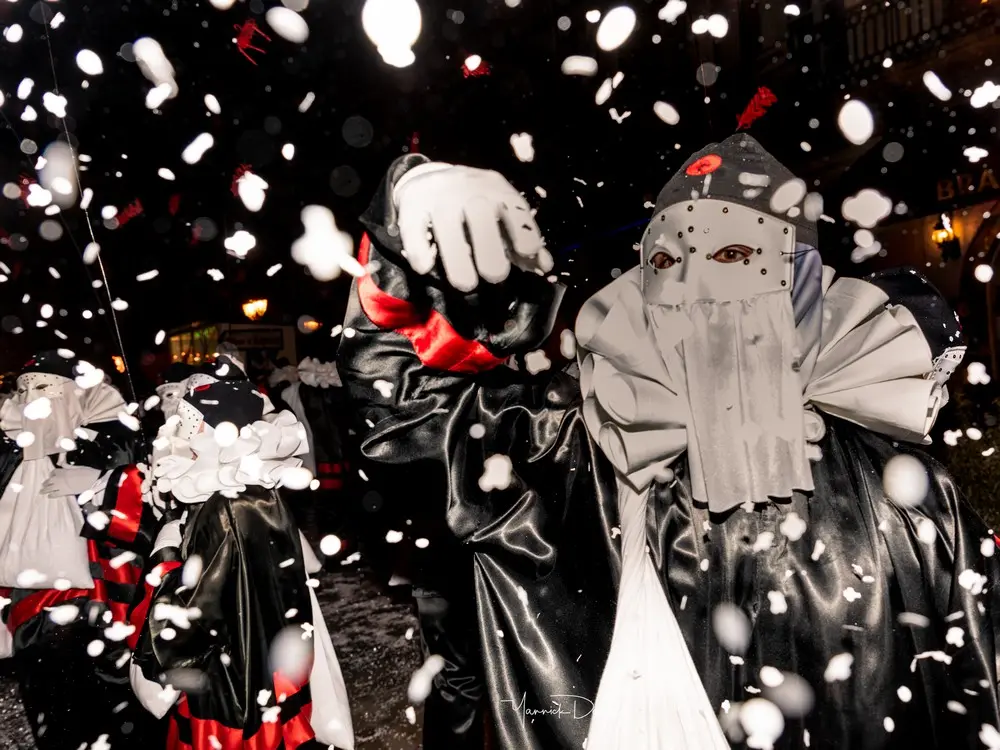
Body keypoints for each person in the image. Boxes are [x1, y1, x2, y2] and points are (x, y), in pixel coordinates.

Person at [337, 136, 1000, 750]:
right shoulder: (586, 455)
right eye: (665, 260)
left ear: (797, 281)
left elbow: (981, 694)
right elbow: (401, 418)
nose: (690, 287)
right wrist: (407, 216)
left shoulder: (905, 492)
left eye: (733, 255)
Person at [125, 375, 355, 750]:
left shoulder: (226, 505)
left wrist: (168, 553)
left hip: (230, 680)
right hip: (261, 665)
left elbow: (197, 606)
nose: (179, 429)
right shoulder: (252, 491)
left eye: (188, 420)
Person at [0, 350, 160, 748]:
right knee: (50, 702)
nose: (32, 397)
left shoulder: (110, 438)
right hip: (30, 603)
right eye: (24, 388)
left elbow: (150, 510)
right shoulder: (10, 448)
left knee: (110, 702)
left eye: (44, 387)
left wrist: (102, 482)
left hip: (100, 600)